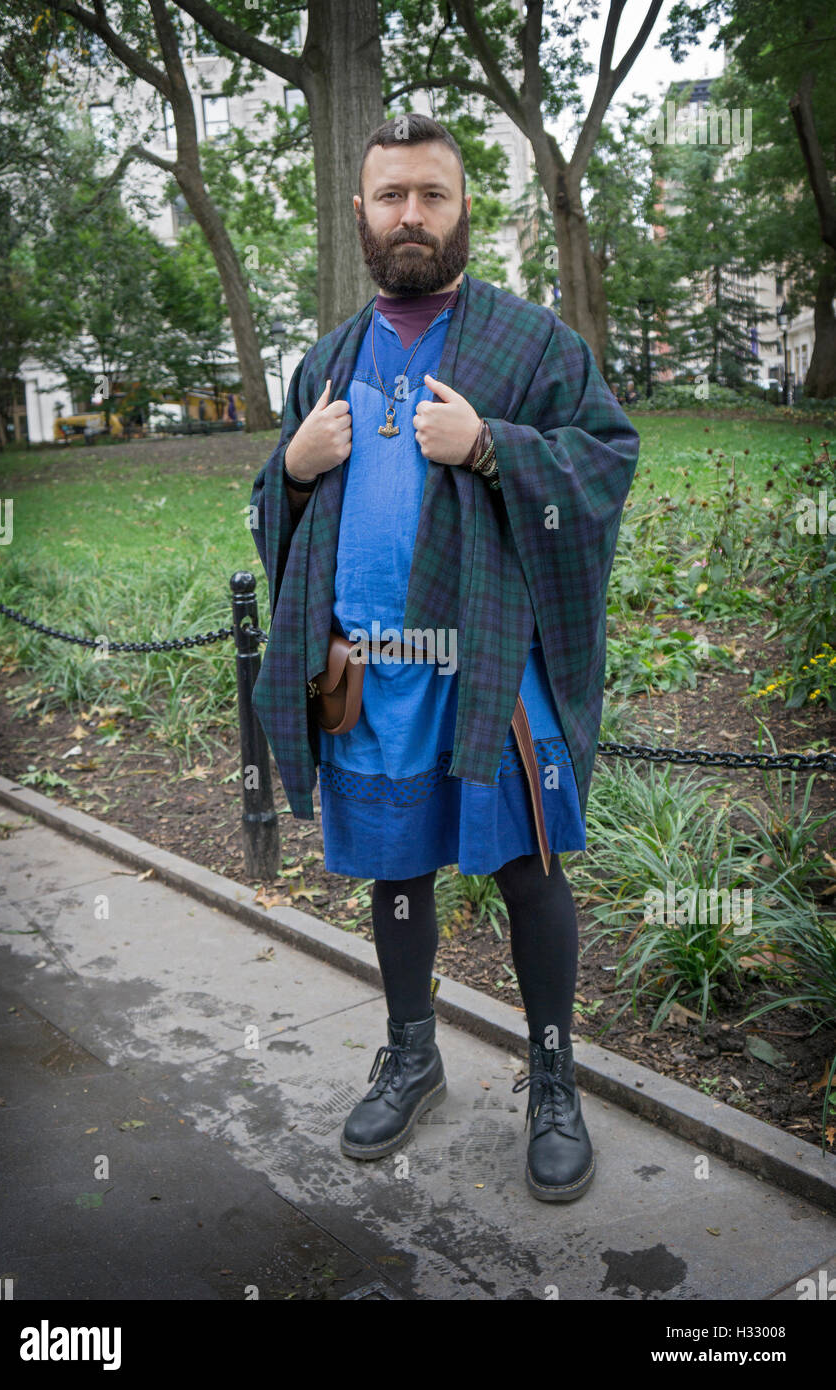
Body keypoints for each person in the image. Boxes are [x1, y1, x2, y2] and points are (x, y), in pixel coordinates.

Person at [249, 115, 639, 1203]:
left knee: (528, 871)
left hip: (491, 667)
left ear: (465, 208)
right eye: (389, 197)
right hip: (372, 675)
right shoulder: (325, 361)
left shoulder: (532, 345)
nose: (410, 214)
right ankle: (412, 1053)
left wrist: (488, 447)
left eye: (431, 194)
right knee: (398, 872)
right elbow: (264, 507)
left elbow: (606, 460)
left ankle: (552, 1081)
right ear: (361, 215)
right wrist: (288, 466)